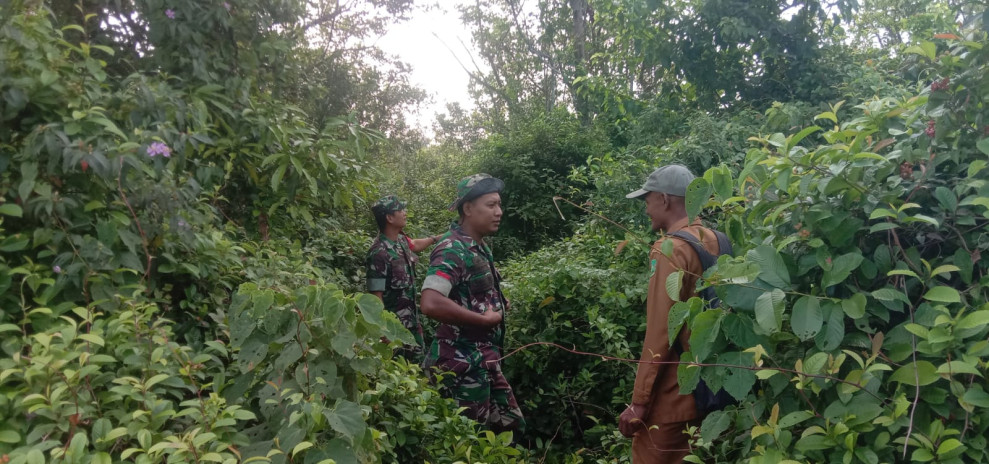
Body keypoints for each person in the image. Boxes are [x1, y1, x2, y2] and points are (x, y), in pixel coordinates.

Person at [618, 164, 725, 463]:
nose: (646, 209)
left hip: (673, 396)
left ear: (664, 199)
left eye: (647, 200)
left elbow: (661, 331)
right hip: (714, 390)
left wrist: (640, 401)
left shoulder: (669, 249)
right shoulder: (718, 239)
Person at [420, 174, 525, 434]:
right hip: (460, 366)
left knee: (510, 429)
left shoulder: (479, 246)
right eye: (491, 205)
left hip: (484, 360)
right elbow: (431, 302)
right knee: (469, 441)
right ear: (467, 209)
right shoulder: (451, 249)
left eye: (499, 205)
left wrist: (496, 300)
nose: (499, 212)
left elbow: (470, 290)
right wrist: (484, 319)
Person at [366, 194, 441, 361]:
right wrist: (382, 329)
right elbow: (375, 297)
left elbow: (415, 244)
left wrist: (437, 238)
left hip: (412, 324)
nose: (405, 212)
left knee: (419, 371)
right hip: (394, 330)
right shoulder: (378, 253)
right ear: (390, 217)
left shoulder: (401, 240)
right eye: (401, 210)